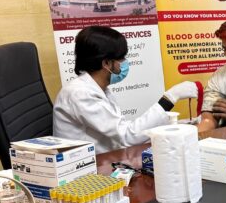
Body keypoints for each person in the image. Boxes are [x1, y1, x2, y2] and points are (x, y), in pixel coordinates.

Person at [53, 26, 198, 154]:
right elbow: (127, 136)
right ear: (106, 63)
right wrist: (170, 98)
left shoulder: (98, 89)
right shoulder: (80, 93)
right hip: (86, 168)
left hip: (106, 157)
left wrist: (176, 126)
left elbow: (124, 132)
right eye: (121, 58)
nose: (124, 63)